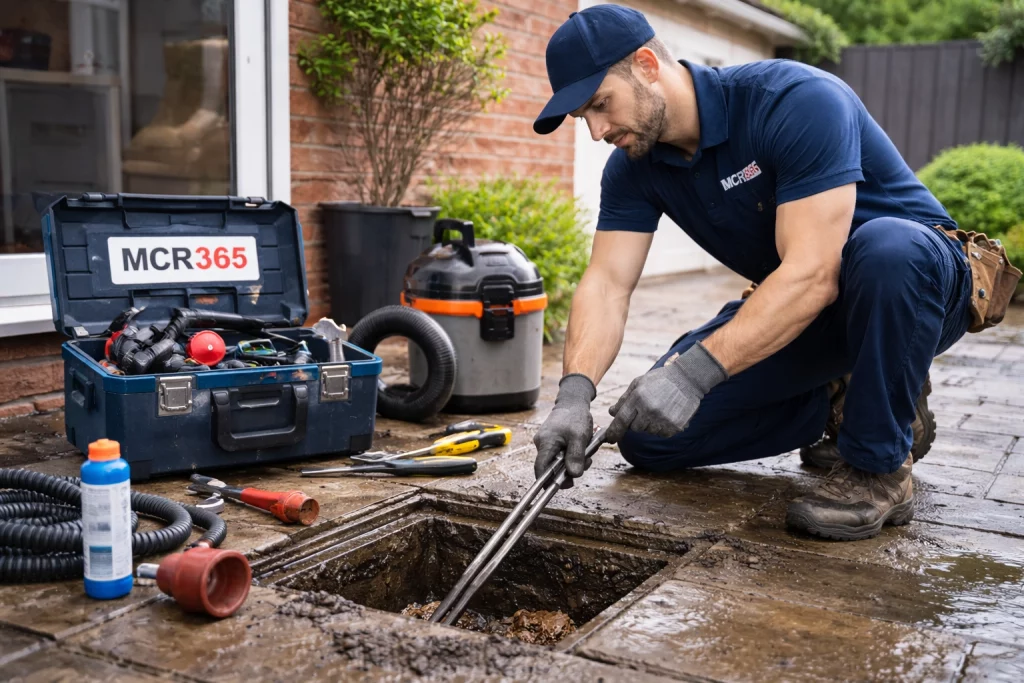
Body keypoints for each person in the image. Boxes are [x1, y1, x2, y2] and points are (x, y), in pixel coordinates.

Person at [529, 4, 979, 542]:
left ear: (647, 65)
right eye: (585, 117)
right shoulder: (633, 168)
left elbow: (814, 273)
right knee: (651, 437)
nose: (598, 131)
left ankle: (878, 466)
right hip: (803, 306)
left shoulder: (794, 100)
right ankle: (849, 399)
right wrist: (574, 397)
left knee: (886, 246)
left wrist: (694, 373)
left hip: (915, 286)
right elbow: (607, 284)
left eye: (601, 104)